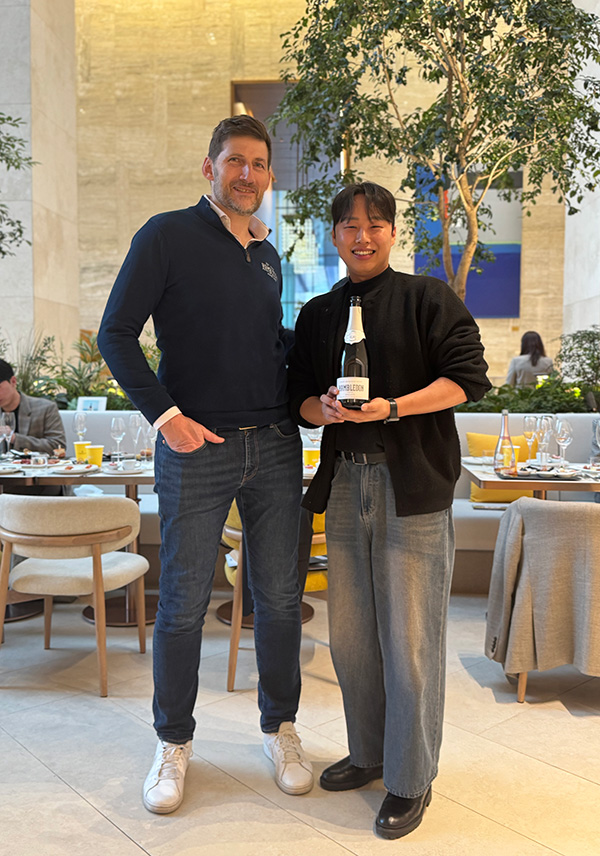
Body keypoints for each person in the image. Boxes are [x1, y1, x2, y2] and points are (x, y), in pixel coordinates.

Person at [97, 115, 312, 814]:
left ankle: (280, 729)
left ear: (269, 176)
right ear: (209, 168)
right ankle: (173, 742)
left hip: (275, 444)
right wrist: (167, 417)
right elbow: (115, 334)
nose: (247, 174)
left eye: (259, 164)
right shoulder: (166, 235)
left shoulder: (267, 254)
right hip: (197, 448)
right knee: (184, 604)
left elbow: (263, 343)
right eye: (235, 161)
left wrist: (318, 382)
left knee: (279, 600)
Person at [287, 182, 490, 839]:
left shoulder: (427, 298)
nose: (362, 236)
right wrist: (325, 409)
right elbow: (299, 402)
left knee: (410, 641)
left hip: (412, 487)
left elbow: (468, 379)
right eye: (349, 225)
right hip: (346, 483)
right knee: (351, 639)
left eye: (375, 224)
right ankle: (369, 753)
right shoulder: (320, 313)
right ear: (334, 236)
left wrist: (394, 407)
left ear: (393, 233)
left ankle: (409, 777)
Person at [0, 358, 66, 455]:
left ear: (13, 382)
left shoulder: (45, 408)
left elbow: (58, 446)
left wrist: (15, 438)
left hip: (36, 464)